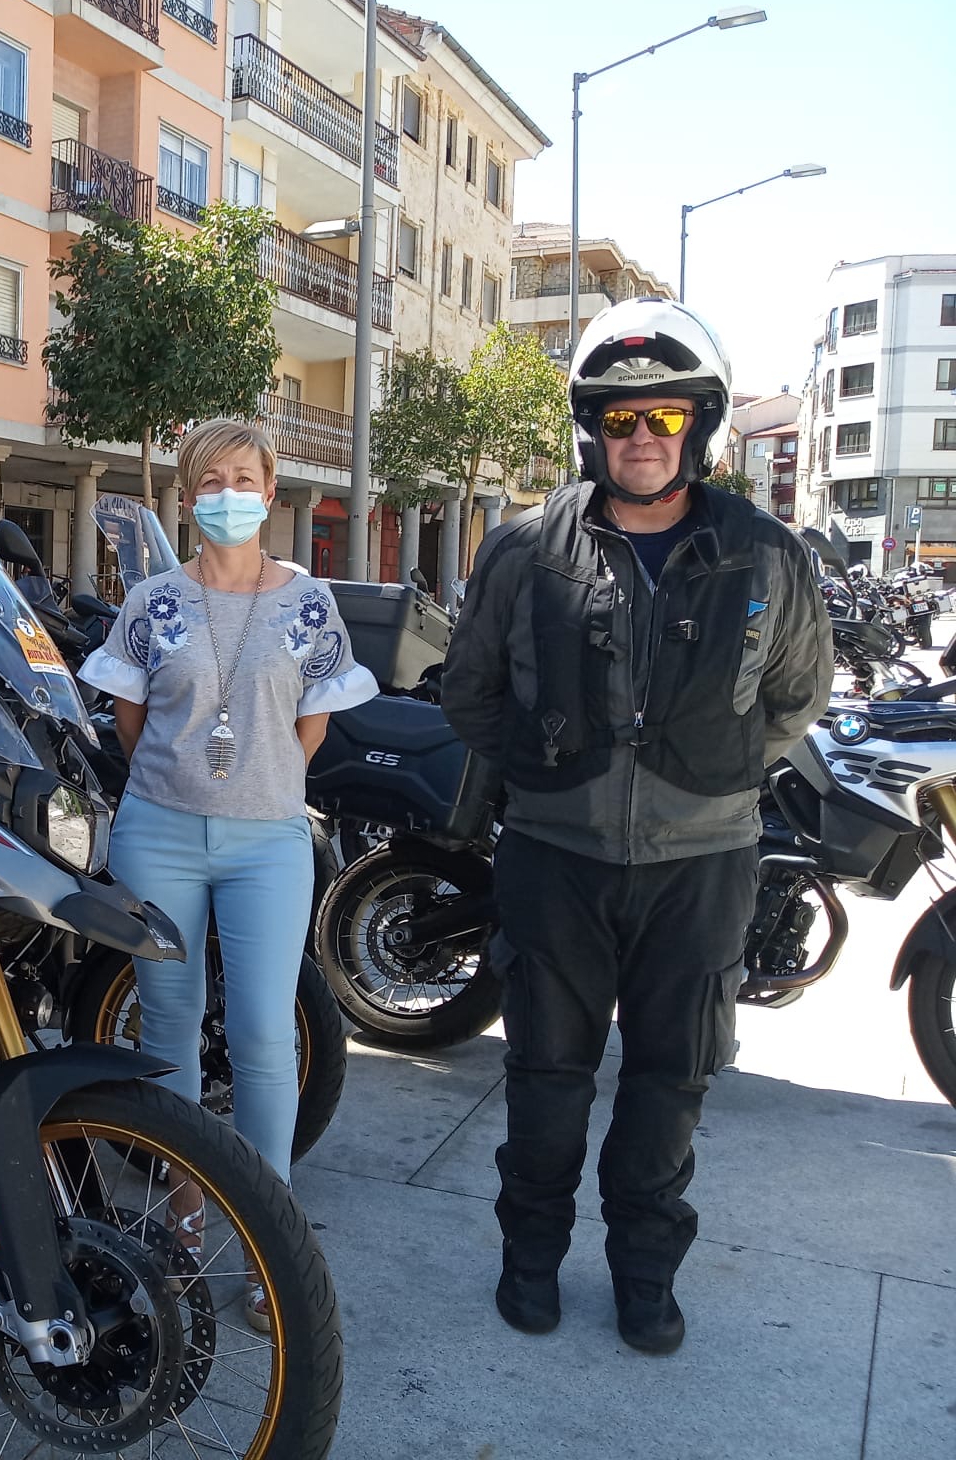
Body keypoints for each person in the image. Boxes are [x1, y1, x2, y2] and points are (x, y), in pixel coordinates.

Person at [440, 298, 830, 1355]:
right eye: (620, 419)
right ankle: (529, 1261)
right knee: (543, 1079)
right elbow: (471, 692)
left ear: (697, 425)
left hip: (700, 866)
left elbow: (795, 695)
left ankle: (644, 1274)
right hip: (555, 860)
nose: (641, 438)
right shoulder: (523, 547)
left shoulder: (764, 552)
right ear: (590, 427)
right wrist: (548, 777)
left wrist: (702, 773)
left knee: (672, 1083)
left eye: (662, 417)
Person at [77, 417, 378, 1333]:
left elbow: (314, 720)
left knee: (259, 1031)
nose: (226, 495)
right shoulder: (153, 600)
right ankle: (180, 1220)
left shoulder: (308, 602)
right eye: (209, 482)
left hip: (266, 841)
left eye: (241, 478)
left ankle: (267, 1244)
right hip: (159, 834)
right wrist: (184, 783)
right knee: (167, 1025)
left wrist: (257, 781)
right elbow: (131, 722)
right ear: (187, 493)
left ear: (270, 485)